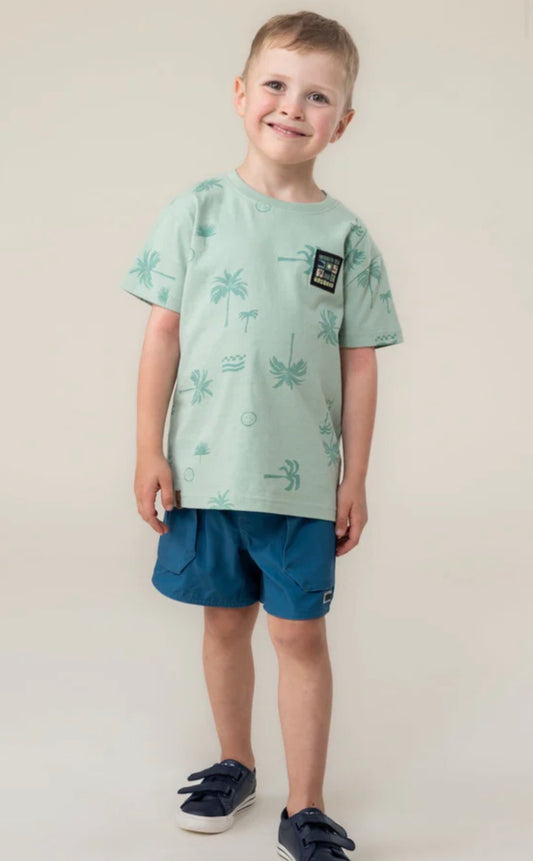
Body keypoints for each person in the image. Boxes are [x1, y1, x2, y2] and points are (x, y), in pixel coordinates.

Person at [120, 10, 404, 860]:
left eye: (316, 96)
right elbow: (162, 335)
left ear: (341, 123)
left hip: (300, 480)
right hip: (206, 471)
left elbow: (359, 362)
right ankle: (234, 762)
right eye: (276, 85)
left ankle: (305, 805)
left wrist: (353, 477)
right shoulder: (197, 211)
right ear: (241, 93)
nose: (291, 106)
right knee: (222, 623)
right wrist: (147, 447)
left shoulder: (344, 237)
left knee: (298, 635)